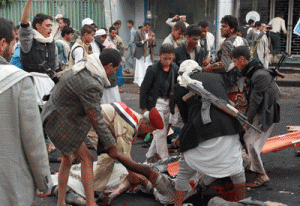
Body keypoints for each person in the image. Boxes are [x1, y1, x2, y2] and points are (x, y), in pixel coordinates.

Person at [41, 49, 122, 206]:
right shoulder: (91, 83)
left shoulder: (88, 64)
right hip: (59, 122)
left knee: (68, 159)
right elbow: (95, 118)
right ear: (109, 66)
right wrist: (111, 144)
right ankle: (91, 203)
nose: (115, 72)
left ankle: (61, 202)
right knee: (87, 158)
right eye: (116, 69)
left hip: (54, 115)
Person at [173, 60, 246, 206]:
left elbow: (187, 118)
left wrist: (181, 137)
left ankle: (177, 204)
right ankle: (244, 202)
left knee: (183, 172)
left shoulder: (179, 86)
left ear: (181, 74)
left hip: (201, 132)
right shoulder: (216, 78)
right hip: (229, 130)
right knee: (237, 170)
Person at [0, 17, 53, 205]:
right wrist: (44, 182)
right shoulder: (18, 81)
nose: (14, 49)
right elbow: (33, 139)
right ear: (2, 43)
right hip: (11, 186)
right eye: (13, 43)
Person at [231, 46, 280, 188]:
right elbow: (253, 97)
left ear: (242, 59)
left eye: (235, 61)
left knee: (250, 142)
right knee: (249, 141)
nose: (235, 65)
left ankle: (261, 175)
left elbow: (255, 101)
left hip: (266, 113)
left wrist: (247, 120)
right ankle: (252, 166)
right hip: (263, 110)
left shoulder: (258, 75)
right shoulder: (254, 71)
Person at [140, 44, 179, 163]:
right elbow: (144, 89)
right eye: (164, 58)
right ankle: (164, 159)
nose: (167, 61)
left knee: (161, 132)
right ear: (159, 56)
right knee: (160, 131)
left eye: (169, 58)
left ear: (173, 57)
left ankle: (149, 157)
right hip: (156, 102)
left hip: (169, 103)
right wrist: (144, 109)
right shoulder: (152, 70)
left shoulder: (174, 68)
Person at [133, 21, 156, 93]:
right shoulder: (138, 32)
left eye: (149, 27)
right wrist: (145, 40)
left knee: (148, 71)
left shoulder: (151, 33)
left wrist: (153, 41)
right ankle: (139, 88)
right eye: (146, 27)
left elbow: (154, 44)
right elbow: (136, 43)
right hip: (140, 56)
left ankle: (148, 88)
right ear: (143, 26)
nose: (147, 29)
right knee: (140, 71)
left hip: (148, 55)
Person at [107, 26, 125, 93]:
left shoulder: (118, 39)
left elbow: (122, 48)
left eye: (115, 33)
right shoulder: (106, 40)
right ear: (109, 33)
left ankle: (119, 87)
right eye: (112, 33)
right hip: (109, 59)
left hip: (117, 58)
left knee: (119, 73)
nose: (114, 34)